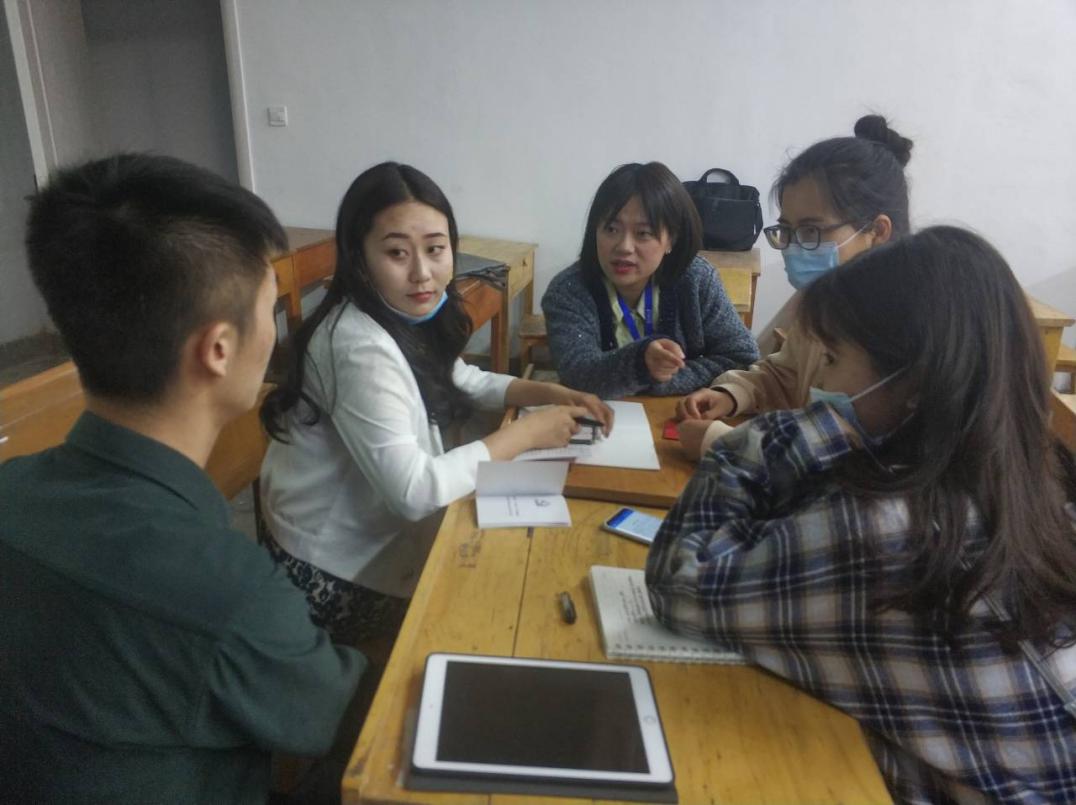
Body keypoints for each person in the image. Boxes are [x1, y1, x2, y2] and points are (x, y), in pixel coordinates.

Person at [647, 226, 1076, 803]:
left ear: (914, 382)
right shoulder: (1033, 485)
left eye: (832, 358)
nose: (819, 382)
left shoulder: (889, 529)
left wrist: (753, 442)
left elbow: (680, 585)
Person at [0, 154, 364, 803]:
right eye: (270, 307)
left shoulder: (11, 487)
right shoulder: (229, 589)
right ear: (218, 349)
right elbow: (337, 716)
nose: (276, 331)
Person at [259, 162, 612, 645]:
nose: (422, 273)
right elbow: (414, 492)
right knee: (509, 607)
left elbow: (459, 376)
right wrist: (525, 433)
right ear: (359, 258)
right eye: (397, 253)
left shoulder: (400, 310)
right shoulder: (356, 344)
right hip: (332, 573)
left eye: (435, 249)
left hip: (370, 543)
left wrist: (543, 391)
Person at [676, 116, 912, 458]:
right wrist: (732, 395)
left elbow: (856, 451)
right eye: (786, 230)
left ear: (877, 231)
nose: (794, 246)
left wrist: (722, 442)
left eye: (811, 230)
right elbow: (784, 374)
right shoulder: (823, 304)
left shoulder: (905, 331)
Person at [541, 161, 758, 399]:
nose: (624, 247)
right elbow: (577, 373)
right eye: (611, 229)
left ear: (671, 239)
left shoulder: (696, 280)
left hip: (679, 415)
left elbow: (742, 358)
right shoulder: (568, 290)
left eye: (643, 233)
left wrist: (667, 378)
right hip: (599, 416)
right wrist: (641, 364)